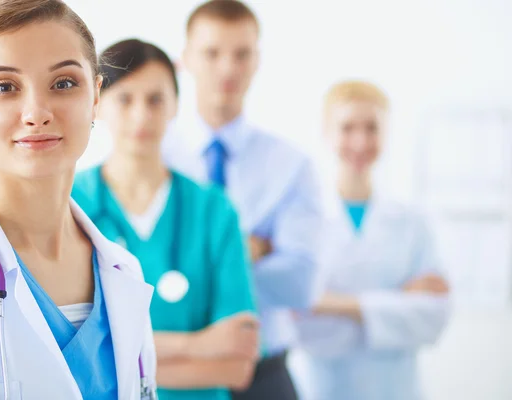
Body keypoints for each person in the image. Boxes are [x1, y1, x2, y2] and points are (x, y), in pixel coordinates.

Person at [0, 1, 158, 399]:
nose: (37, 112)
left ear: (95, 96)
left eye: (63, 83)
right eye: (4, 87)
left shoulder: (123, 273)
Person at [72, 38, 259, 400]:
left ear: (175, 105)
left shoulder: (212, 209)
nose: (141, 115)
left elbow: (237, 365)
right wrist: (200, 344)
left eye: (155, 100)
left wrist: (120, 352)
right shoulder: (71, 204)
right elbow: (68, 355)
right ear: (97, 105)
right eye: (125, 99)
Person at [162, 1, 322, 399]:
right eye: (212, 53)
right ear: (185, 60)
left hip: (264, 377)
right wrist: (249, 248)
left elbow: (301, 284)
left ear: (257, 61)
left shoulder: (291, 164)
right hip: (175, 374)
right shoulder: (156, 158)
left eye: (241, 54)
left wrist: (191, 263)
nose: (228, 68)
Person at [292, 80, 451, 400]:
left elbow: (433, 317)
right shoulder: (303, 221)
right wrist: (394, 302)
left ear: (387, 133)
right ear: (326, 132)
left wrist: (335, 303)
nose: (361, 141)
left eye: (372, 128)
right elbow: (300, 322)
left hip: (398, 389)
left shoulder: (411, 222)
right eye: (347, 127)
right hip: (325, 388)